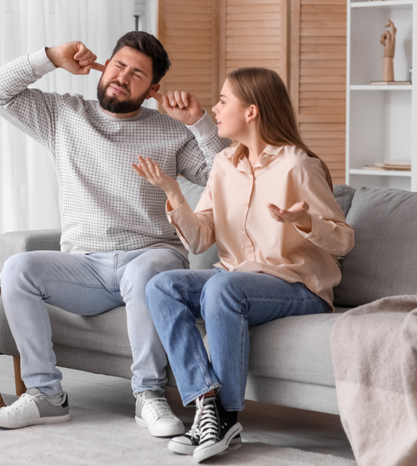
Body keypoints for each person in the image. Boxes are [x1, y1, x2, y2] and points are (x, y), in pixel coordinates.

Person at [0, 31, 230, 435]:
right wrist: (49, 57)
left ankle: (148, 395)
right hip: (84, 268)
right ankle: (46, 395)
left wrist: (198, 123)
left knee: (144, 273)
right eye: (118, 65)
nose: (123, 76)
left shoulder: (170, 131)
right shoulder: (63, 115)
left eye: (137, 73)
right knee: (18, 267)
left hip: (150, 258)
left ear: (152, 89)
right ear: (103, 66)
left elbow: (227, 176)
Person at [133, 67, 355, 462]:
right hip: (236, 281)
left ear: (251, 111)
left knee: (222, 286)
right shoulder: (222, 165)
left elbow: (342, 240)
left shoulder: (297, 166)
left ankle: (227, 415)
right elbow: (201, 237)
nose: (215, 109)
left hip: (297, 287)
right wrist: (173, 194)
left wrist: (303, 221)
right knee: (161, 286)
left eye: (223, 101)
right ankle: (206, 406)